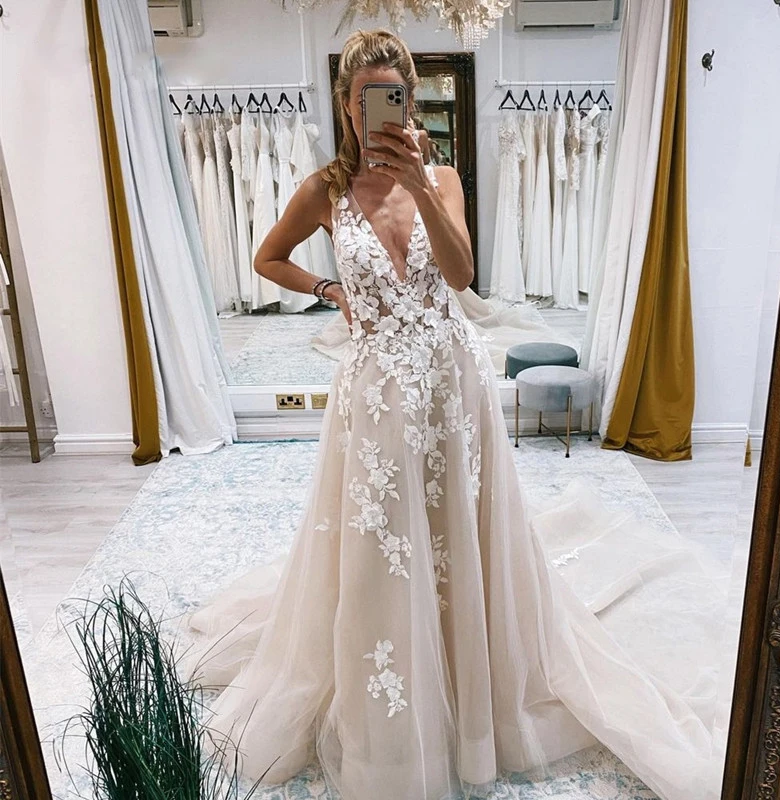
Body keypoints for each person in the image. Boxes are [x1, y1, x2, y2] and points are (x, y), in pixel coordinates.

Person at [179, 29, 727, 800]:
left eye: (392, 96)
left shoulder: (442, 179)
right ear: (345, 105)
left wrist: (423, 184)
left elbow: (463, 273)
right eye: (364, 99)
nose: (377, 111)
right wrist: (327, 289)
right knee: (383, 537)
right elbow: (266, 258)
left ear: (409, 99)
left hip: (449, 381)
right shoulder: (324, 191)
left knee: (457, 526)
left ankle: (468, 675)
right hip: (375, 388)